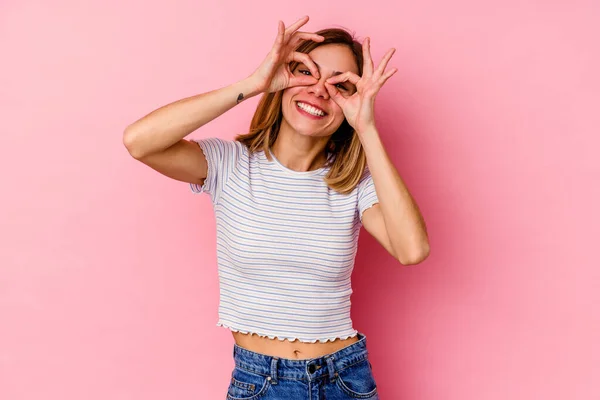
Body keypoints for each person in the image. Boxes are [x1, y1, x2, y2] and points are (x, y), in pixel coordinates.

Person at [123, 15, 429, 400]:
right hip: (260, 380)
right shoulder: (229, 164)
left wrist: (367, 129)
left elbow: (412, 250)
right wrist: (254, 84)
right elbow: (139, 142)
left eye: (340, 85)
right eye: (305, 72)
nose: (319, 90)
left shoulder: (353, 182)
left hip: (344, 379)